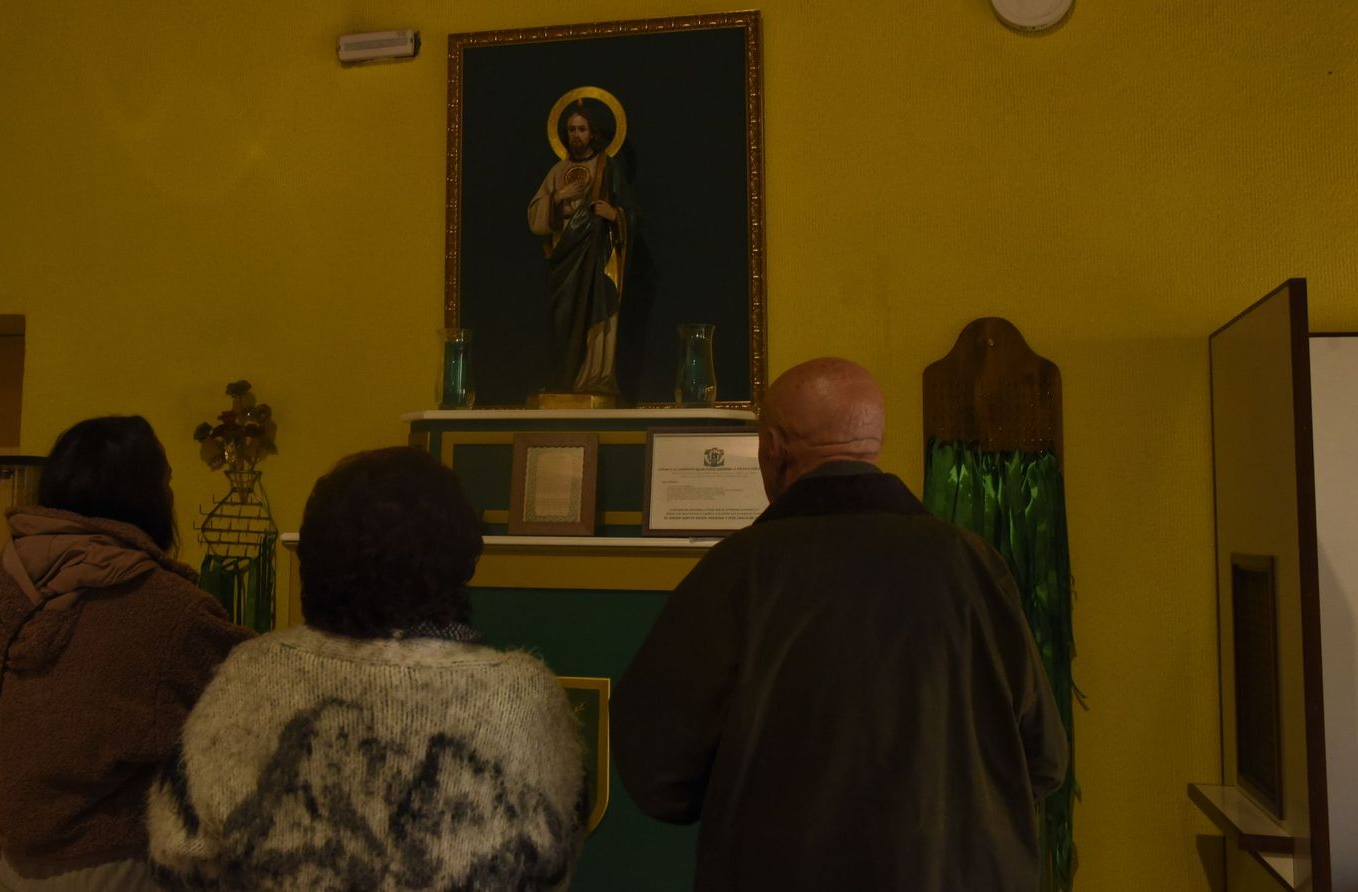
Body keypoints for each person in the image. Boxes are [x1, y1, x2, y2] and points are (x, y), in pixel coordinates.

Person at [611, 358, 1068, 892]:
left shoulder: (735, 573)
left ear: (772, 447)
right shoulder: (972, 565)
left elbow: (658, 773)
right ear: (872, 443)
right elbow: (1044, 761)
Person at [148, 446, 586, 891]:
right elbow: (553, 860)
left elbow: (177, 850)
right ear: (460, 559)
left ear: (315, 558)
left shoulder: (251, 675)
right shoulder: (523, 693)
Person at [0, 415, 252, 891]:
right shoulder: (166, 607)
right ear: (146, 497)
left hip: (16, 858)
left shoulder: (11, 583)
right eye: (166, 482)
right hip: (113, 863)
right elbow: (259, 697)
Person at [526, 98, 632, 397]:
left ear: (592, 133)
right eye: (571, 129)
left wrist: (615, 215)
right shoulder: (557, 171)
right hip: (565, 258)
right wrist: (558, 197)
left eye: (581, 129)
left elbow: (632, 212)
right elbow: (535, 219)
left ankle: (593, 378)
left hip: (597, 258)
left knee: (596, 314)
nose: (575, 135)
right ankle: (563, 378)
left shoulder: (606, 169)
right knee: (563, 320)